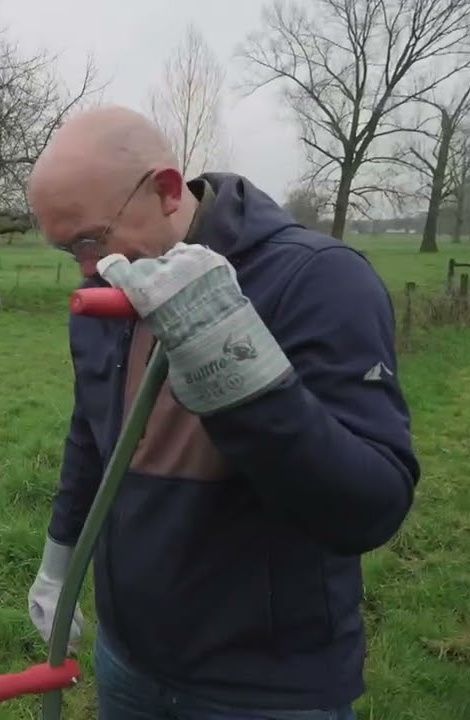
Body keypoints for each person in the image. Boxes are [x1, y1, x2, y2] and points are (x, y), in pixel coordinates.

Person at [23, 105, 420, 719]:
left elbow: (372, 507)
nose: (86, 268)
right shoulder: (109, 288)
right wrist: (58, 563)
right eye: (65, 249)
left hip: (262, 687)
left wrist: (244, 379)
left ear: (166, 189)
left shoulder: (319, 279)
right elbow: (92, 437)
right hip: (128, 658)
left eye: (90, 240)